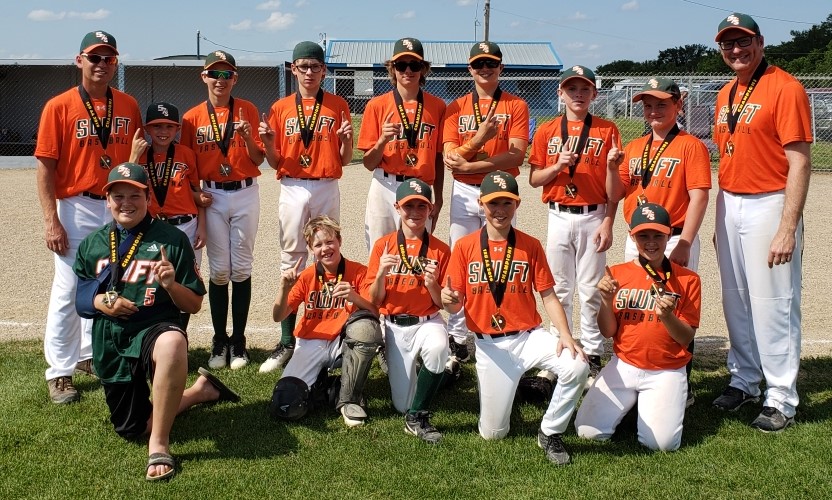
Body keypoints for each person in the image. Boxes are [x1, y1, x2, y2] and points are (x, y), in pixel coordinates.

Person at [73, 162, 239, 481]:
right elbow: (82, 300)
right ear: (107, 200)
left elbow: (193, 303)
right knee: (132, 428)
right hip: (111, 339)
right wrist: (104, 302)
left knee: (174, 341)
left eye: (134, 196)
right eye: (118, 196)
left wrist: (171, 285)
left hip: (154, 328)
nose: (126, 203)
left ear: (147, 197)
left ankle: (159, 445)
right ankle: (202, 391)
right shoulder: (92, 243)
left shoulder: (172, 239)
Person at [441, 171, 588, 465]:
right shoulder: (465, 247)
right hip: (489, 345)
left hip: (527, 336)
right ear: (481, 203)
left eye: (507, 202)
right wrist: (449, 301)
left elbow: (547, 295)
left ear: (517, 204)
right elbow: (455, 305)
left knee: (578, 365)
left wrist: (566, 335)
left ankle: (549, 432)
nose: (500, 210)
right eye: (494, 203)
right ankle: (513, 386)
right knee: (493, 434)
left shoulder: (529, 245)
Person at [710, 13, 812, 432]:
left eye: (744, 41)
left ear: (761, 42)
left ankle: (782, 396)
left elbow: (800, 161)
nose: (737, 50)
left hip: (770, 201)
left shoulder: (785, 88)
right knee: (735, 298)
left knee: (773, 301)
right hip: (730, 201)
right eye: (728, 44)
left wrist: (787, 226)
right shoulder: (724, 93)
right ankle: (746, 378)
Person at [35, 30, 142, 403]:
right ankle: (59, 371)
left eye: (108, 58)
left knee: (107, 281)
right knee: (68, 288)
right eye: (94, 57)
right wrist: (52, 219)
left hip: (115, 203)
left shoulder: (128, 105)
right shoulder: (59, 106)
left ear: (116, 63)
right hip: (76, 204)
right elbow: (46, 167)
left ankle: (86, 355)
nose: (101, 64)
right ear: (79, 60)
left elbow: (132, 159)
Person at [258, 41, 353, 373]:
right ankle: (287, 339)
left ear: (324, 71)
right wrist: (269, 142)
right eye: (303, 66)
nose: (309, 72)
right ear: (292, 69)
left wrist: (346, 140)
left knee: (328, 253)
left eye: (315, 66)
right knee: (292, 256)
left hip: (327, 183)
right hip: (294, 184)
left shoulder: (338, 104)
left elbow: (344, 159)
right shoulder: (281, 107)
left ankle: (329, 329)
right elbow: (273, 160)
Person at [574, 203, 701, 452]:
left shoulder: (688, 279)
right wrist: (607, 302)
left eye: (658, 235)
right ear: (633, 236)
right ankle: (635, 404)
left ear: (668, 236)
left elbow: (686, 338)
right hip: (625, 365)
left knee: (661, 445)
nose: (651, 242)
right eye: (643, 235)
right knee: (587, 432)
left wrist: (667, 317)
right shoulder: (617, 273)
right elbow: (607, 331)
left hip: (667, 369)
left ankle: (651, 403)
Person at [527, 65, 619, 384]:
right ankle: (562, 350)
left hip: (593, 215)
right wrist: (557, 165)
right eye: (571, 89)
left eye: (584, 89)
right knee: (560, 286)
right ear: (560, 93)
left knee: (591, 287)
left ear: (594, 93)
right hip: (558, 214)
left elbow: (614, 187)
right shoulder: (547, 130)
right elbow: (534, 178)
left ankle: (592, 353)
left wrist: (608, 221)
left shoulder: (607, 129)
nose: (578, 95)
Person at [442, 41, 529, 361]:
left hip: (501, 192)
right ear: (470, 69)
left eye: (490, 63)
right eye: (478, 64)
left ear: (501, 68)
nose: (485, 69)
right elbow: (450, 157)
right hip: (464, 192)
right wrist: (478, 141)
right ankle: (457, 335)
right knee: (460, 260)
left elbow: (517, 153)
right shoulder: (457, 107)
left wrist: (473, 164)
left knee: (499, 261)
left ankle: (497, 327)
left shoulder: (516, 105)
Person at [181, 50, 265, 370]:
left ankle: (239, 341)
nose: (220, 80)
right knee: (219, 270)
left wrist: (247, 137)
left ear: (235, 78)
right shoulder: (191, 118)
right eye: (214, 74)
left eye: (226, 74)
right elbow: (188, 166)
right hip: (212, 195)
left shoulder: (248, 110)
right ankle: (219, 340)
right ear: (204, 77)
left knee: (241, 267)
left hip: (245, 192)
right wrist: (195, 194)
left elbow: (258, 160)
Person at [270, 216, 382, 428]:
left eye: (330, 241)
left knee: (366, 330)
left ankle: (348, 397)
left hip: (342, 343)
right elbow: (278, 316)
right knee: (286, 403)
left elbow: (375, 313)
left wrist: (355, 297)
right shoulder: (307, 275)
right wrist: (284, 287)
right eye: (318, 244)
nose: (325, 248)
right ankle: (329, 387)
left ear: (339, 240)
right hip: (310, 342)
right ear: (311, 249)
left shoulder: (358, 272)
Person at [366, 179, 451, 443]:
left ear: (431, 210)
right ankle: (446, 374)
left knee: (438, 348)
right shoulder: (383, 245)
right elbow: (374, 299)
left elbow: (443, 304)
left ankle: (417, 416)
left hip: (427, 321)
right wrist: (380, 273)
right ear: (397, 207)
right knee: (400, 403)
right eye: (409, 206)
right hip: (393, 325)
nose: (415, 212)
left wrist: (434, 284)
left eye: (421, 206)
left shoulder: (440, 249)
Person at [358, 37, 445, 251]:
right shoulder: (377, 105)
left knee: (418, 252)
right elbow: (369, 164)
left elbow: (438, 157)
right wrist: (381, 141)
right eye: (401, 65)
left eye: (414, 65)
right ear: (392, 68)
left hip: (421, 186)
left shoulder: (437, 106)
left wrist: (439, 197)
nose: (408, 70)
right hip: (385, 184)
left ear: (423, 69)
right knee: (380, 251)